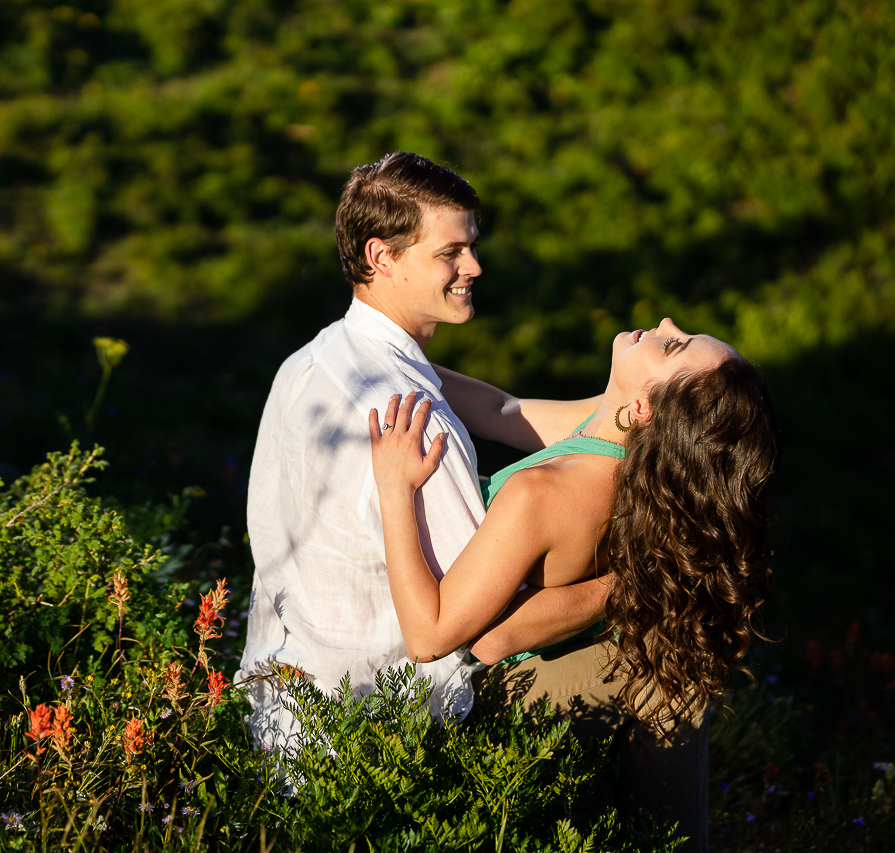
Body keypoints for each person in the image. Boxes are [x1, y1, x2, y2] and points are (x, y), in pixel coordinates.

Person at [236, 151, 608, 755]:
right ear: (380, 256)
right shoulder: (411, 417)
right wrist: (636, 583)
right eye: (450, 253)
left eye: (472, 246)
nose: (475, 267)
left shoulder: (316, 359)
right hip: (384, 726)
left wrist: (639, 405)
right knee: (654, 667)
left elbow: (504, 412)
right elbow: (483, 624)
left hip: (285, 713)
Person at [369, 319, 778, 851]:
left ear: (645, 409)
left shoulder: (546, 494)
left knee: (661, 683)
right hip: (562, 665)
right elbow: (501, 411)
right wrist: (384, 351)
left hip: (503, 700)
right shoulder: (626, 445)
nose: (666, 323)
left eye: (674, 344)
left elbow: (433, 637)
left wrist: (394, 490)